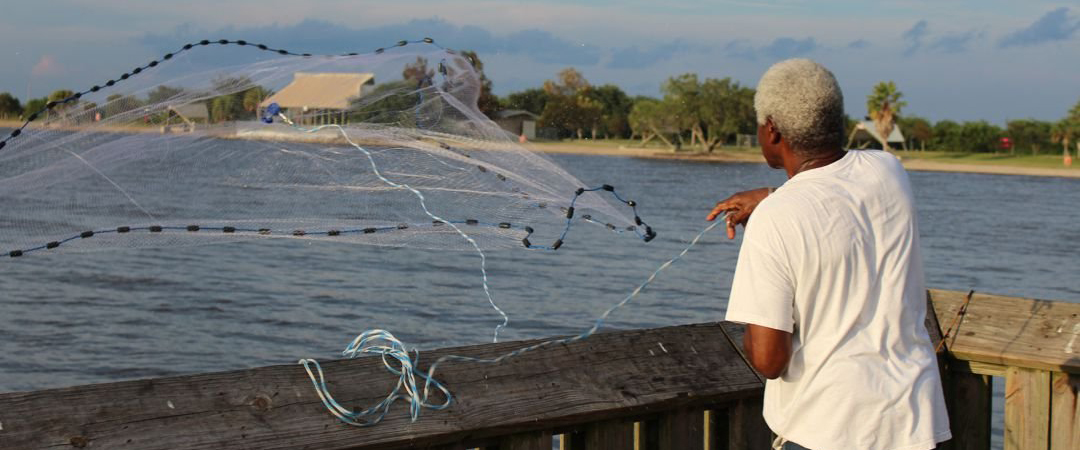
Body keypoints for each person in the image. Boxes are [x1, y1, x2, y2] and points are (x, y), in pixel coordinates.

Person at [707, 59, 951, 450]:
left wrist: (753, 325)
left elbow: (769, 360)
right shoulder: (889, 170)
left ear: (771, 130)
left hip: (828, 430)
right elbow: (837, 193)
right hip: (912, 422)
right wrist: (770, 195)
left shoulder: (777, 218)